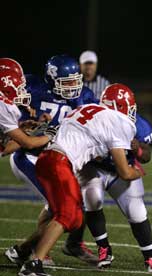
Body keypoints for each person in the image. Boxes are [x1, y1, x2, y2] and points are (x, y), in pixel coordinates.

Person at [18, 88, 142, 276]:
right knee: (68, 215)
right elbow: (124, 172)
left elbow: (89, 145)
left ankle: (22, 250)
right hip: (59, 163)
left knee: (73, 218)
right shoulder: (119, 121)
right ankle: (34, 264)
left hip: (47, 159)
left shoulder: (89, 109)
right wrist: (137, 172)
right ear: (120, 106)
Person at [5, 55, 99, 266]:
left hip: (58, 158)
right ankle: (38, 253)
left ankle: (23, 250)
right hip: (29, 156)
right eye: (66, 83)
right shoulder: (33, 88)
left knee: (67, 206)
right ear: (51, 79)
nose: (72, 87)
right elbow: (16, 126)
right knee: (60, 207)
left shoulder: (84, 95)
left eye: (75, 81)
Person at [78, 83, 152, 272]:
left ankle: (150, 258)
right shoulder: (95, 120)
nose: (132, 111)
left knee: (136, 211)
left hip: (121, 170)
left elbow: (146, 156)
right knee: (92, 198)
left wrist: (138, 148)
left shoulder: (138, 125)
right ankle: (104, 249)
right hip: (95, 168)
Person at [0, 58, 51, 156]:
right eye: (20, 89)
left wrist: (22, 129)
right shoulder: (3, 106)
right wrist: (50, 134)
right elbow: (28, 143)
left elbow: (4, 147)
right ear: (6, 88)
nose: (23, 92)